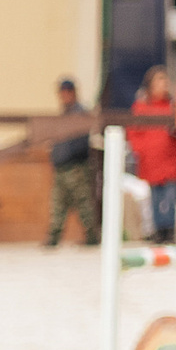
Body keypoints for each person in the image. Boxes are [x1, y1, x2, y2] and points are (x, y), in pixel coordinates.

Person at [126, 65, 176, 244]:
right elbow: (133, 133)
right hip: (151, 162)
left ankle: (170, 229)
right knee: (156, 198)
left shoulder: (173, 107)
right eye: (159, 80)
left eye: (166, 80)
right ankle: (158, 230)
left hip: (171, 161)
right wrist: (141, 150)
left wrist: (175, 131)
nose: (164, 84)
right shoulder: (141, 107)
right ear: (150, 85)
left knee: (170, 197)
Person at [44, 75, 100, 248]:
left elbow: (79, 141)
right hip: (62, 167)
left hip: (76, 166)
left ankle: (92, 236)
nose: (64, 95)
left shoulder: (79, 113)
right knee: (58, 204)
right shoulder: (64, 113)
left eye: (66, 92)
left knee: (83, 203)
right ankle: (53, 238)